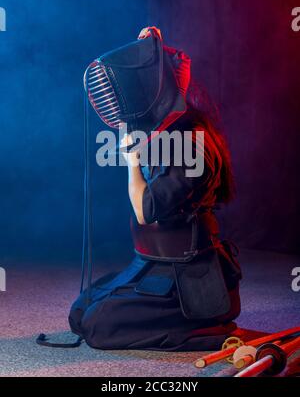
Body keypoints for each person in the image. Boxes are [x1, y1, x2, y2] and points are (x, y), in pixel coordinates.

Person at [69, 27, 242, 351]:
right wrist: (151, 47)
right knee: (81, 310)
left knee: (97, 325)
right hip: (155, 264)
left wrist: (131, 160)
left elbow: (145, 210)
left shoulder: (193, 147)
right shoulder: (169, 137)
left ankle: (205, 331)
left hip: (188, 276)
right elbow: (176, 61)